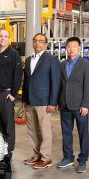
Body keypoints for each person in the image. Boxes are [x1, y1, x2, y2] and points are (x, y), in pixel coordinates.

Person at [22, 33, 60, 169]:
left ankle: (45, 157)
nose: (37, 43)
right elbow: (26, 81)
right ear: (32, 43)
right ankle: (36, 155)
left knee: (45, 131)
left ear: (46, 44)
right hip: (29, 101)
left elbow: (55, 82)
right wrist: (24, 100)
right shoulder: (28, 60)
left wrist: (53, 102)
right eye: (35, 41)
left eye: (41, 41)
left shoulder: (51, 60)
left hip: (44, 101)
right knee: (32, 130)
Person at [57, 37, 89, 173]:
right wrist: (59, 101)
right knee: (66, 133)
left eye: (74, 46)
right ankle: (68, 157)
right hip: (64, 105)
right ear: (66, 48)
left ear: (79, 48)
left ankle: (83, 160)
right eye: (69, 46)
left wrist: (85, 105)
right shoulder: (62, 64)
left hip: (80, 107)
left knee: (83, 134)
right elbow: (60, 85)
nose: (71, 49)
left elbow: (88, 86)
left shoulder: (85, 65)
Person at [0, 29, 22, 157]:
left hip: (6, 94)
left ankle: (9, 150)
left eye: (6, 36)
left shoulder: (14, 54)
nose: (3, 38)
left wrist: (14, 94)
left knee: (8, 124)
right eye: (1, 36)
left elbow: (18, 75)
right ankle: (0, 148)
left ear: (9, 39)